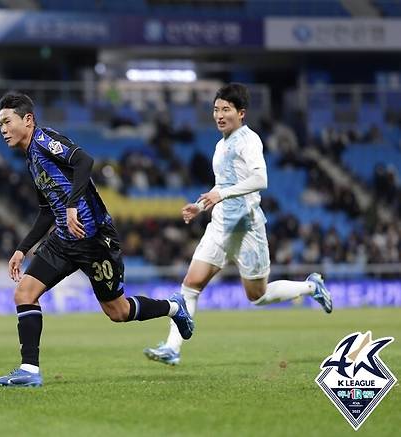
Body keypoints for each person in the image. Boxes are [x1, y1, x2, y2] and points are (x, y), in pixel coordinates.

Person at [0, 92, 194, 388]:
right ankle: (29, 370)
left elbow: (85, 160)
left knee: (118, 312)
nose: (3, 129)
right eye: (0, 124)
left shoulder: (45, 140)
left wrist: (72, 205)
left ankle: (174, 308)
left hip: (94, 237)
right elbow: (47, 211)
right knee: (24, 293)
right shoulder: (32, 159)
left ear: (28, 120)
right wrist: (22, 249)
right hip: (63, 238)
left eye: (7, 122)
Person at [143, 83, 333, 366]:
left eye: (226, 109)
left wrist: (222, 194)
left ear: (241, 113)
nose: (219, 115)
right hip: (220, 224)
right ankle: (173, 349)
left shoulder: (249, 140)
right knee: (190, 286)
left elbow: (260, 180)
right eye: (216, 109)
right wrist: (201, 205)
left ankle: (310, 287)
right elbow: (222, 184)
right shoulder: (220, 145)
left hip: (246, 227)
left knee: (257, 296)